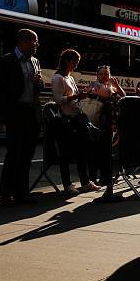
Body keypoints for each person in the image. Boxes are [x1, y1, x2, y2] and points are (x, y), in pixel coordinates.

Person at [0, 29, 45, 206]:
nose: (37, 44)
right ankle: (6, 195)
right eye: (35, 41)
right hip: (16, 113)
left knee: (27, 154)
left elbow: (39, 88)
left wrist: (39, 83)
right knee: (14, 154)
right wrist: (8, 113)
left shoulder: (35, 61)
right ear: (24, 42)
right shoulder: (6, 60)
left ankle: (22, 193)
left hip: (31, 112)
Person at [52, 49, 101, 195]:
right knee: (66, 155)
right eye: (74, 62)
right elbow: (59, 100)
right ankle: (67, 184)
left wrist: (82, 95)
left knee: (82, 153)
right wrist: (76, 97)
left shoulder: (70, 78)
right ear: (67, 61)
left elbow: (73, 96)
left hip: (77, 119)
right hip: (66, 121)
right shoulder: (58, 78)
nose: (76, 66)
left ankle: (85, 182)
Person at [88, 65, 126, 202]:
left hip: (110, 123)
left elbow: (123, 97)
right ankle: (97, 179)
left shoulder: (111, 85)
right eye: (102, 73)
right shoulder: (95, 85)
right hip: (99, 123)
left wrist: (116, 85)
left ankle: (105, 181)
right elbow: (107, 94)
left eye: (107, 74)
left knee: (107, 152)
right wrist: (112, 87)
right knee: (99, 153)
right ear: (97, 75)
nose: (104, 76)